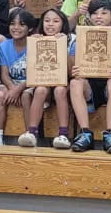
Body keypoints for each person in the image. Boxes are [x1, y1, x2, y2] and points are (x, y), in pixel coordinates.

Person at [69, 0, 111, 153]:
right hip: (89, 86)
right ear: (88, 17)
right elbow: (70, 71)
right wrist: (74, 72)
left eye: (104, 13)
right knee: (75, 82)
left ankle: (110, 134)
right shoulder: (79, 39)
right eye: (95, 13)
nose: (99, 16)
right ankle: (85, 134)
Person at [18, 8, 74, 149]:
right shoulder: (35, 39)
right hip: (43, 80)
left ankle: (63, 134)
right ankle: (32, 133)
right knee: (40, 90)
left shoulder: (72, 39)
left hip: (64, 81)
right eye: (47, 21)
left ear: (63, 24)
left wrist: (62, 46)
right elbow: (32, 70)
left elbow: (71, 72)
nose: (50, 24)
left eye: (55, 21)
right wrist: (34, 46)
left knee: (60, 90)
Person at [0, 8, 36, 145]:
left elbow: (37, 74)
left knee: (25, 95)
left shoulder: (35, 45)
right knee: (0, 95)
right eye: (12, 24)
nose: (16, 28)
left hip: (31, 83)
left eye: (22, 24)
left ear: (30, 28)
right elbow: (4, 74)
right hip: (11, 82)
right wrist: (12, 89)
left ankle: (31, 135)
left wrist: (18, 90)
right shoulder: (4, 46)